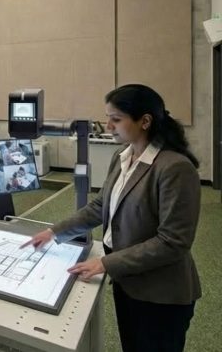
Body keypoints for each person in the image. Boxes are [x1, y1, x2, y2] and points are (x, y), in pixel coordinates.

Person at [22, 84, 201, 352]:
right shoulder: (121, 156)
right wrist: (54, 232)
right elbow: (100, 205)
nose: (108, 125)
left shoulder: (175, 168)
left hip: (161, 295)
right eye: (108, 118)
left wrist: (106, 262)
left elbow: (173, 242)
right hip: (127, 283)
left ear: (145, 121)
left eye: (116, 119)